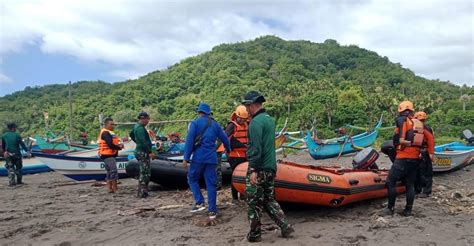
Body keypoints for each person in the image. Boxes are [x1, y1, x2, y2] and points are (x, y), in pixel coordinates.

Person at [242, 91, 294, 242]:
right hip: (271, 167)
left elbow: (255, 149)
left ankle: (254, 235)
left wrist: (253, 170)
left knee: (253, 202)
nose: (246, 109)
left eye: (246, 106)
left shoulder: (255, 123)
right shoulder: (269, 120)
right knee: (269, 199)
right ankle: (285, 226)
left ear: (252, 105)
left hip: (259, 168)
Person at [183, 102, 231, 219]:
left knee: (192, 178)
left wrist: (186, 158)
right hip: (211, 158)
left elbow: (189, 142)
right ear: (209, 113)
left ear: (199, 112)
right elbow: (225, 139)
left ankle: (200, 202)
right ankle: (212, 211)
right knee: (211, 184)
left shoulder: (194, 123)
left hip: (198, 158)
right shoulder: (215, 124)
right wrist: (228, 150)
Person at [384, 101, 430, 217]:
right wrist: (432, 153)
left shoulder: (402, 120)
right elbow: (429, 139)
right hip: (415, 159)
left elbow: (401, 140)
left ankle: (390, 208)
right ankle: (408, 210)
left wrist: (403, 141)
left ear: (402, 110)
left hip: (403, 157)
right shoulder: (418, 123)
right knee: (410, 184)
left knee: (390, 181)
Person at [224, 105, 250, 204]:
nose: (242, 121)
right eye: (241, 119)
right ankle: (235, 198)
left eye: (244, 119)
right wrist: (241, 145)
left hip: (244, 155)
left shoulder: (247, 124)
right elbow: (227, 140)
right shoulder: (232, 126)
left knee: (244, 176)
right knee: (235, 176)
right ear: (236, 116)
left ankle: (243, 195)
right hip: (234, 156)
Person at [130, 112, 156, 198]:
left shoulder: (136, 126)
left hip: (139, 150)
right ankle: (142, 192)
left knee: (144, 171)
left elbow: (131, 134)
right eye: (147, 119)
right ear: (143, 119)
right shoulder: (140, 128)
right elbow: (143, 141)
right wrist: (150, 152)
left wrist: (137, 142)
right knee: (145, 172)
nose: (148, 121)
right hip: (142, 152)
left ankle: (143, 191)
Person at [98, 118, 124, 193]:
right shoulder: (105, 133)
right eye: (111, 124)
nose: (113, 126)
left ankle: (109, 188)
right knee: (113, 171)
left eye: (113, 124)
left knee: (109, 171)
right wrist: (118, 147)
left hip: (107, 154)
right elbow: (110, 144)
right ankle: (115, 189)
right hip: (107, 155)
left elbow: (113, 142)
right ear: (106, 124)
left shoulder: (108, 132)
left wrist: (119, 145)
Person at [414, 111, 435, 198]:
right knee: (422, 171)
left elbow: (429, 141)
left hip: (423, 151)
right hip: (424, 151)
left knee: (423, 171)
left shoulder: (420, 128)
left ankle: (424, 191)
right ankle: (421, 190)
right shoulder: (428, 128)